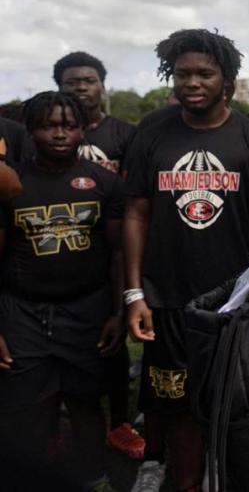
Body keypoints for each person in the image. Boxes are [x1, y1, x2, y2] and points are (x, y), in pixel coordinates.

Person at [123, 29, 249, 492]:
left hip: (230, 303)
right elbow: (136, 213)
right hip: (167, 299)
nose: (191, 82)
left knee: (231, 403)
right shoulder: (151, 133)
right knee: (176, 407)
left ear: (229, 80)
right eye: (181, 73)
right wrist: (135, 292)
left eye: (204, 74)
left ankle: (225, 477)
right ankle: (186, 483)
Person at [0, 92, 125, 491]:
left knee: (86, 401)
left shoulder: (104, 182)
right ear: (31, 129)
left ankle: (93, 476)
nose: (59, 134)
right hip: (23, 310)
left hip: (86, 308)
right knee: (27, 408)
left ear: (83, 127)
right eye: (49, 125)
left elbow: (118, 253)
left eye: (68, 126)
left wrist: (117, 312)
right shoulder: (11, 184)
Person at [54, 51, 144, 460]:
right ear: (60, 86)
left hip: (114, 242)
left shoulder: (123, 134)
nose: (81, 88)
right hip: (63, 244)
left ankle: (122, 423)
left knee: (115, 334)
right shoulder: (48, 132)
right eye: (72, 81)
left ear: (102, 85)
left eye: (89, 80)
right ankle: (58, 422)